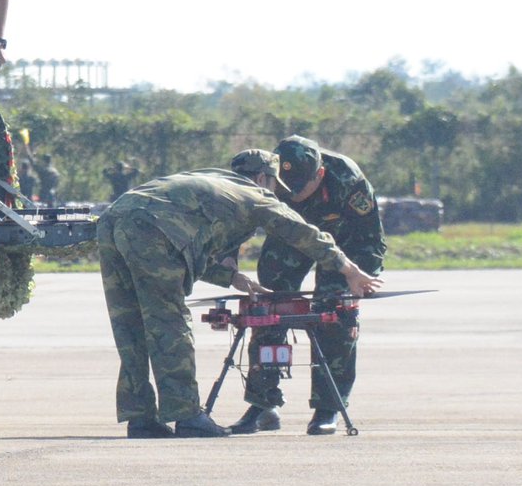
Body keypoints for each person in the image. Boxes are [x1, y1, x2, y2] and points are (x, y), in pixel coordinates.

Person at [97, 152, 381, 439]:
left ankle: (141, 418)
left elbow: (186, 247)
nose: (276, 193)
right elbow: (303, 233)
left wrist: (232, 278)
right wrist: (349, 269)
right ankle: (187, 416)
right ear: (262, 178)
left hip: (114, 218)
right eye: (275, 185)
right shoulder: (255, 194)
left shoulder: (215, 183)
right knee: (169, 324)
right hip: (153, 226)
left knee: (130, 326)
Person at [228, 136, 387, 436]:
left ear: (320, 174)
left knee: (335, 313)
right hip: (289, 237)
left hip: (344, 244)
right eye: (288, 188)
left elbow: (370, 239)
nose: (295, 194)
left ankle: (328, 407)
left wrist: (361, 278)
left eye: (300, 188)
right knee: (269, 307)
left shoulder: (348, 181)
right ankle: (263, 404)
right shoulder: (266, 174)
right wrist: (229, 266)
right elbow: (238, 222)